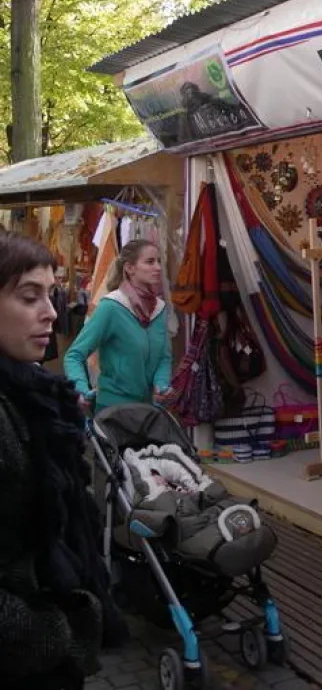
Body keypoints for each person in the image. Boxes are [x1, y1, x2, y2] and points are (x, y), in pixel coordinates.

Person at [0, 231, 126, 689]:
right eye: (29, 296)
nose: (51, 312)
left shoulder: (32, 397)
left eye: (50, 295)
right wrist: (58, 633)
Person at [64, 240, 172, 412]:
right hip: (113, 411)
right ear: (130, 268)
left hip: (148, 411)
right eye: (150, 262)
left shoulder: (159, 309)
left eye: (159, 261)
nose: (158, 267)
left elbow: (164, 357)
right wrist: (81, 389)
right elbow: (74, 355)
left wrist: (161, 384)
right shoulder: (111, 306)